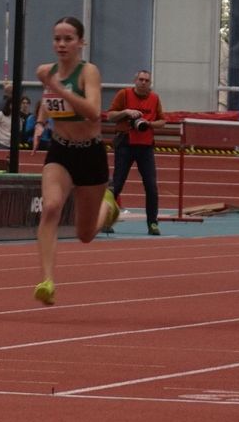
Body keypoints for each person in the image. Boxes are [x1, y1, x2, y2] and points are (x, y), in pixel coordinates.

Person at [29, 16, 120, 305]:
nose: (61, 44)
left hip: (90, 154)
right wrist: (40, 124)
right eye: (57, 39)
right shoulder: (48, 71)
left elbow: (93, 112)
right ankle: (47, 281)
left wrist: (57, 87)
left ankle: (108, 206)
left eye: (68, 39)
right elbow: (48, 102)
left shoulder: (88, 72)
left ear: (81, 42)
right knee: (51, 207)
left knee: (85, 234)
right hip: (61, 151)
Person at [105, 70, 167, 235]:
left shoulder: (154, 98)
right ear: (135, 80)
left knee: (151, 186)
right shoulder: (124, 94)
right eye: (141, 79)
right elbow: (110, 116)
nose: (143, 82)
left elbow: (163, 121)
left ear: (150, 83)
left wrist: (149, 124)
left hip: (146, 146)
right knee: (117, 183)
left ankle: (152, 223)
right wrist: (126, 112)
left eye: (147, 80)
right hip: (125, 144)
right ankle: (104, 219)